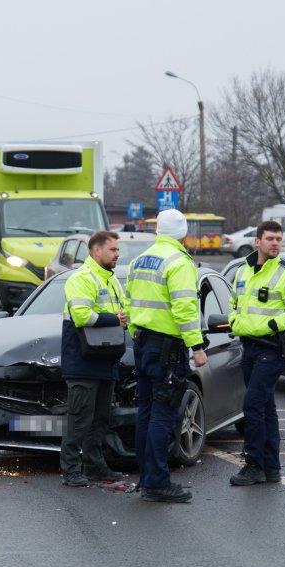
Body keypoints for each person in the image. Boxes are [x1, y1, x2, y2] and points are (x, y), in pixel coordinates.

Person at [124, 209, 205, 503]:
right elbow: (185, 309)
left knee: (146, 413)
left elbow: (128, 304)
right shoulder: (179, 262)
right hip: (167, 349)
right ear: (183, 233)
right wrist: (197, 346)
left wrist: (137, 333)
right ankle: (158, 483)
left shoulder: (138, 261)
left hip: (143, 344)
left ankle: (147, 478)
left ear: (158, 230)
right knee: (163, 414)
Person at [228, 220, 285, 486]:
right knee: (265, 408)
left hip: (271, 349)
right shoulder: (242, 270)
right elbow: (234, 302)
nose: (275, 243)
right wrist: (233, 320)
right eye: (270, 239)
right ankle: (271, 468)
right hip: (249, 347)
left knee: (253, 406)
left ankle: (254, 465)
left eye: (278, 239)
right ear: (258, 241)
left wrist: (274, 324)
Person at [59, 231, 128, 487]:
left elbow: (124, 312)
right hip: (83, 362)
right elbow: (81, 315)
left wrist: (124, 318)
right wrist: (115, 319)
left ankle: (95, 465)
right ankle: (71, 470)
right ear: (96, 251)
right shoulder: (81, 278)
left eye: (117, 250)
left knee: (100, 419)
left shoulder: (111, 280)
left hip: (105, 360)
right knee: (79, 419)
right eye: (113, 250)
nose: (117, 254)